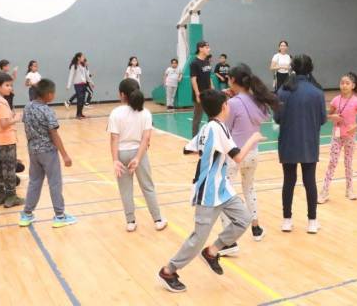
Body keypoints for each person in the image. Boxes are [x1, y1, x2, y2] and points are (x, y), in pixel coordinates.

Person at [157, 90, 264, 293]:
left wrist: (207, 154)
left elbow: (188, 149)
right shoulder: (217, 128)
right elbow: (238, 157)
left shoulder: (208, 127)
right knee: (198, 238)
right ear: (224, 107)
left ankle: (212, 252)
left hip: (222, 189)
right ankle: (168, 271)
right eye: (227, 103)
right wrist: (253, 139)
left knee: (244, 218)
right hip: (208, 191)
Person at [218, 63, 279, 255]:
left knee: (223, 193)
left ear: (232, 80)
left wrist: (228, 102)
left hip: (235, 154)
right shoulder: (258, 100)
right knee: (249, 188)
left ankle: (229, 242)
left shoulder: (234, 103)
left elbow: (225, 128)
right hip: (252, 152)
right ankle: (256, 228)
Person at [275, 54, 326, 234]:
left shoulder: (283, 91)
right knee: (309, 181)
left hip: (288, 142)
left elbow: (277, 118)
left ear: (293, 68)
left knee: (288, 181)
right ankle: (312, 221)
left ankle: (287, 220)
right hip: (309, 142)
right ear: (311, 68)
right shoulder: (317, 92)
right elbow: (322, 119)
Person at [108, 79, 167, 232]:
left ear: (122, 95)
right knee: (148, 187)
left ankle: (130, 222)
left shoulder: (115, 113)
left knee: (125, 190)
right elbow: (146, 139)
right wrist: (138, 158)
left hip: (121, 153)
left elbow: (114, 138)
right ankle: (158, 220)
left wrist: (115, 160)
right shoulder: (145, 113)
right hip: (139, 152)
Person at [19, 79, 77, 228]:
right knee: (54, 183)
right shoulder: (47, 111)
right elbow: (54, 134)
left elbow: (26, 127)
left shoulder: (27, 107)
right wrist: (65, 155)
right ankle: (60, 216)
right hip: (48, 152)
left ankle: (27, 214)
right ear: (49, 94)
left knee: (34, 182)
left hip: (33, 151)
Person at [319, 72, 357, 203]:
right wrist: (332, 117)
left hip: (350, 137)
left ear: (353, 86)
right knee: (332, 162)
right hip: (337, 135)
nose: (344, 85)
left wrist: (355, 127)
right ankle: (324, 191)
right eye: (342, 83)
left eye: (347, 83)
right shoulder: (335, 100)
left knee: (348, 163)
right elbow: (326, 116)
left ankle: (349, 189)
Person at [0, 72, 24, 207]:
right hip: (6, 140)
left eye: (11, 85)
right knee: (9, 169)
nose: (10, 88)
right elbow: (4, 123)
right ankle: (11, 197)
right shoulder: (2, 103)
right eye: (7, 85)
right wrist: (16, 118)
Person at [190, 41, 213, 137]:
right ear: (200, 48)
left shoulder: (207, 61)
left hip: (209, 93)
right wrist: (197, 94)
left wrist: (212, 89)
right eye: (207, 47)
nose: (209, 49)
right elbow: (193, 79)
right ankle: (194, 139)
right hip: (200, 94)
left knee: (212, 117)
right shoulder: (194, 63)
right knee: (197, 118)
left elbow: (209, 77)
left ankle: (210, 137)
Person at [66, 52, 89, 119]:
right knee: (79, 99)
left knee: (83, 100)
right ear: (78, 58)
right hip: (77, 85)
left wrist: (90, 82)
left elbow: (86, 75)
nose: (84, 58)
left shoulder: (83, 65)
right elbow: (71, 76)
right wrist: (68, 85)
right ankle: (77, 114)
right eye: (82, 57)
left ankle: (80, 113)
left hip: (84, 84)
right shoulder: (74, 66)